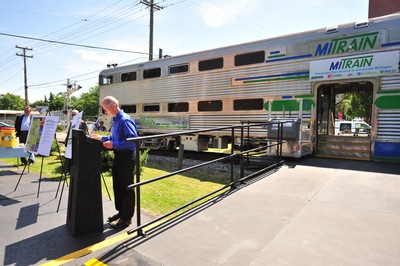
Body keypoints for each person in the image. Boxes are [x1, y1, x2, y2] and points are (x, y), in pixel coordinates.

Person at [91, 96, 137, 229]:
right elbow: (115, 138)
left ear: (113, 106)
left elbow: (133, 140)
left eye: (106, 109)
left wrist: (114, 144)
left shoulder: (124, 120)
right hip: (119, 156)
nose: (105, 112)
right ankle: (121, 212)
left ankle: (126, 218)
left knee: (126, 188)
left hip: (126, 158)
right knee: (118, 186)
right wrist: (102, 138)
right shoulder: (116, 120)